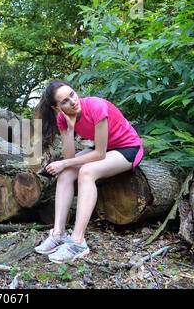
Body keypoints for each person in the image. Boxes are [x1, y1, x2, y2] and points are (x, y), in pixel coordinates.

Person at [34, 79, 143, 263]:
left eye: (72, 94)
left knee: (86, 172)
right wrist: (69, 129)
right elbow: (69, 158)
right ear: (56, 108)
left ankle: (77, 242)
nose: (73, 101)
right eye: (65, 102)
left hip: (128, 148)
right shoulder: (63, 118)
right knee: (67, 172)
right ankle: (58, 233)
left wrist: (63, 163)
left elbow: (99, 154)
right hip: (107, 149)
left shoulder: (96, 106)